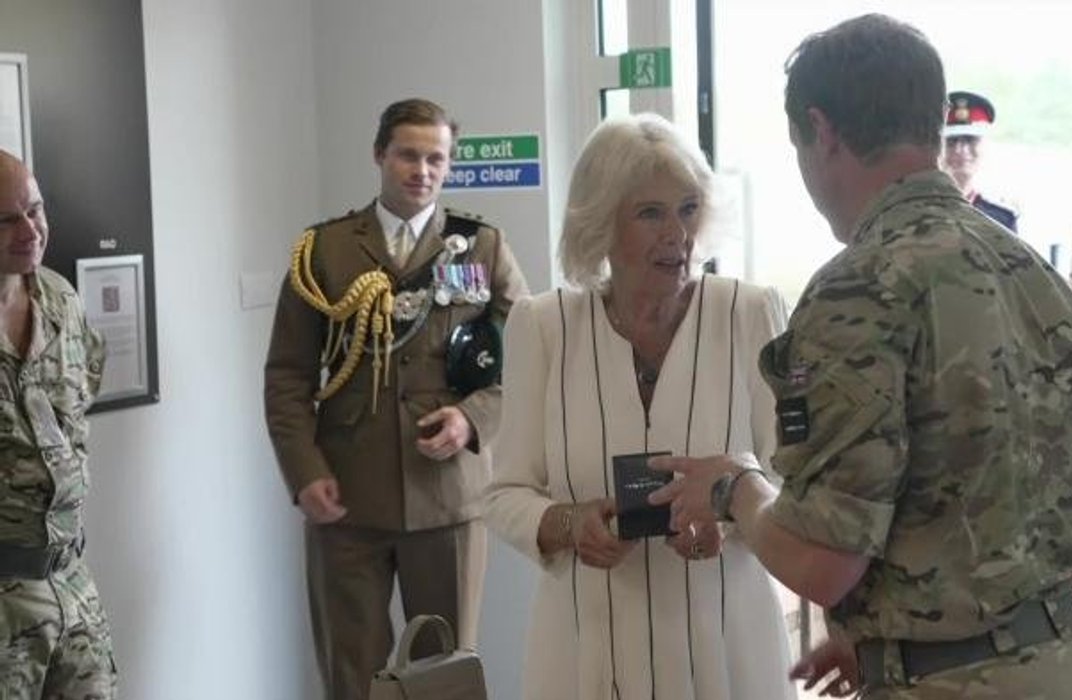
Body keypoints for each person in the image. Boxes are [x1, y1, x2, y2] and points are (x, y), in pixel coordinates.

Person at [648, 14, 1072, 699]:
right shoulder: (1034, 275)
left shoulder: (861, 285)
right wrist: (883, 638)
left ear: (823, 131)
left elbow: (822, 560)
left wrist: (732, 487)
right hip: (1069, 663)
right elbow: (989, 504)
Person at [482, 113, 795, 700]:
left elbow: (793, 481)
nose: (676, 233)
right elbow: (505, 494)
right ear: (601, 222)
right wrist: (569, 524)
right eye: (650, 213)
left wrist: (730, 515)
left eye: (688, 208)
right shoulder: (543, 326)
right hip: (584, 651)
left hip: (726, 647)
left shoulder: (750, 314)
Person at [264, 98, 528, 700]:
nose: (422, 170)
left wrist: (471, 418)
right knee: (351, 670)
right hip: (346, 495)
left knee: (445, 674)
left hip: (447, 497)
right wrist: (304, 472)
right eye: (409, 155)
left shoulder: (481, 246)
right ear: (379, 154)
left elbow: (530, 355)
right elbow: (286, 374)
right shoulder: (323, 251)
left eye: (437, 158)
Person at [0, 150, 115, 698]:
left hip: (72, 586)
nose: (30, 230)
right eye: (7, 219)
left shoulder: (61, 299)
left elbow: (84, 390)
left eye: (36, 210)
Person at [940, 90, 1019, 233]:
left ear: (984, 145)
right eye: (951, 141)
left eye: (970, 140)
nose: (961, 149)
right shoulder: (914, 211)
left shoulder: (1001, 218)